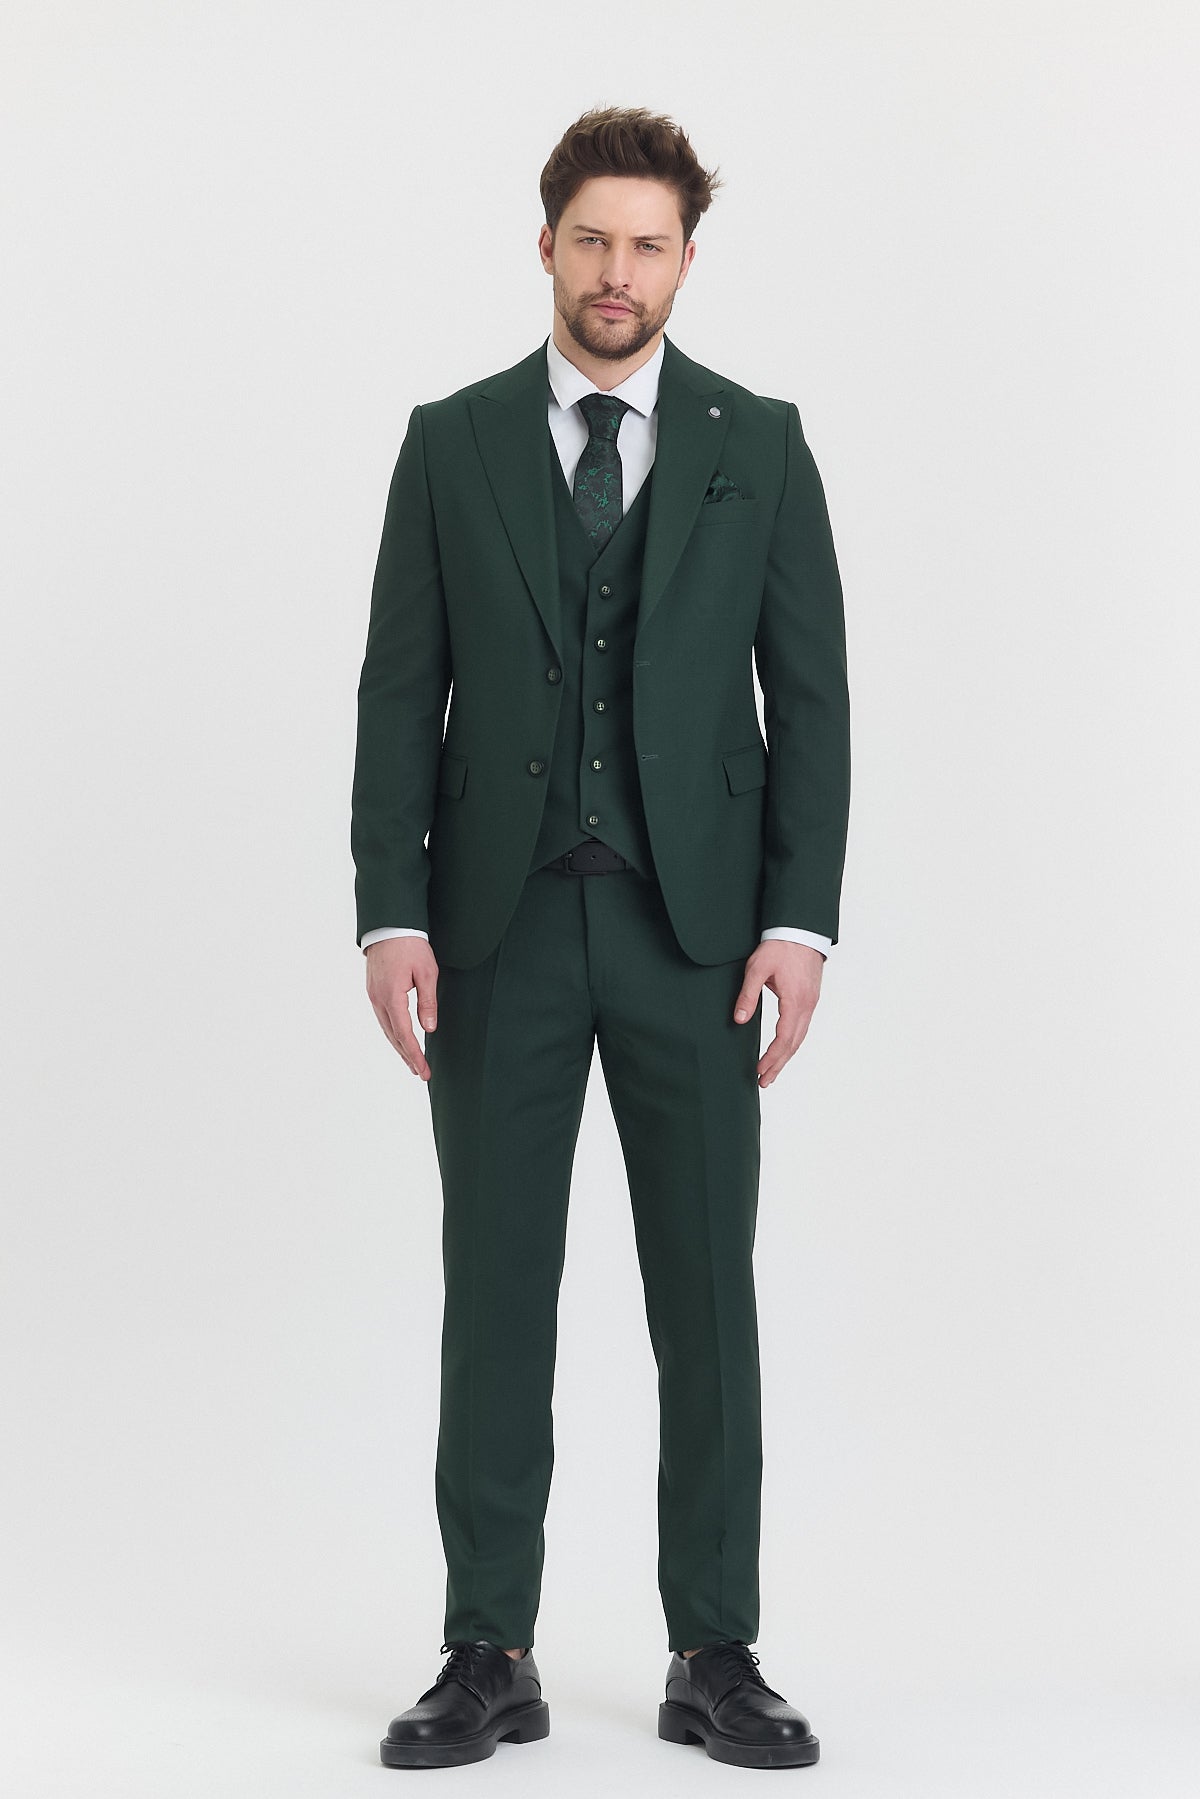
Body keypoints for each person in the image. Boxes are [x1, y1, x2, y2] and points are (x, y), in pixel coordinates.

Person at [351, 105, 850, 1772]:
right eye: (592, 240)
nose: (617, 271)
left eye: (647, 244)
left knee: (706, 1296)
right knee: (496, 1290)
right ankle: (485, 1647)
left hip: (694, 939)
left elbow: (813, 698)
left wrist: (798, 922)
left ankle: (717, 1649)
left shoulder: (759, 442)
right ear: (547, 246)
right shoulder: (452, 442)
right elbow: (396, 691)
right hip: (495, 932)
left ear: (686, 260)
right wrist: (391, 907)